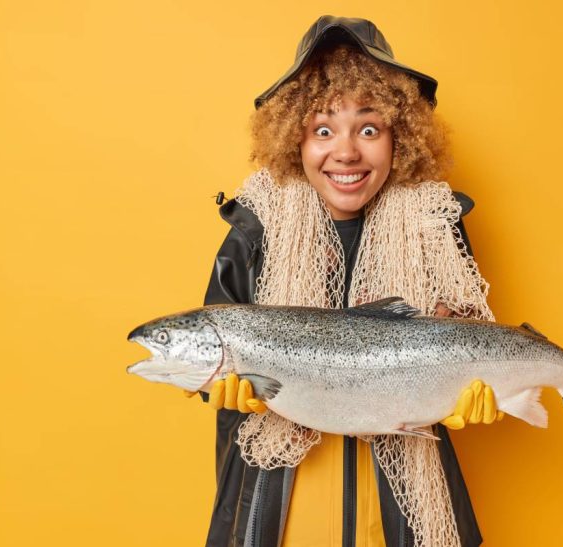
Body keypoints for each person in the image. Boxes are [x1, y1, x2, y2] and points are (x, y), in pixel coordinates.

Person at [199, 16, 500, 547]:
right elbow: (210, 340)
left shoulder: (434, 222)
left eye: (368, 127)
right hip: (285, 503)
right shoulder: (256, 226)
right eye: (322, 129)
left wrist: (478, 386)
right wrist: (215, 389)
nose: (346, 152)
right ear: (293, 139)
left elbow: (467, 331)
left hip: (400, 510)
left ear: (399, 138)